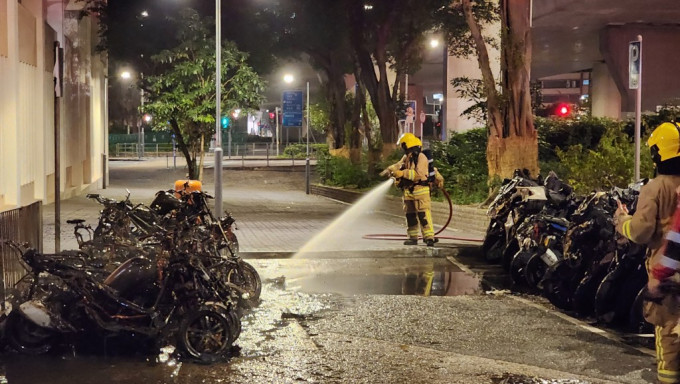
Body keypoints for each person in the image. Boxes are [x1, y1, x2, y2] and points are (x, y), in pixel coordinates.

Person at [614, 122, 680, 384]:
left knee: (668, 338)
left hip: (667, 273)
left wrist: (622, 221)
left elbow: (641, 231)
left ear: (657, 153)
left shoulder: (655, 187)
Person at [382, 133, 443, 246]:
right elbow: (399, 164)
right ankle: (413, 237)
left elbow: (418, 174)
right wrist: (391, 169)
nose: (403, 149)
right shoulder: (407, 157)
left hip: (421, 190)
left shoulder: (421, 157)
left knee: (423, 214)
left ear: (409, 145)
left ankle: (429, 237)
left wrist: (401, 173)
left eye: (404, 146)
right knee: (410, 216)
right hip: (409, 191)